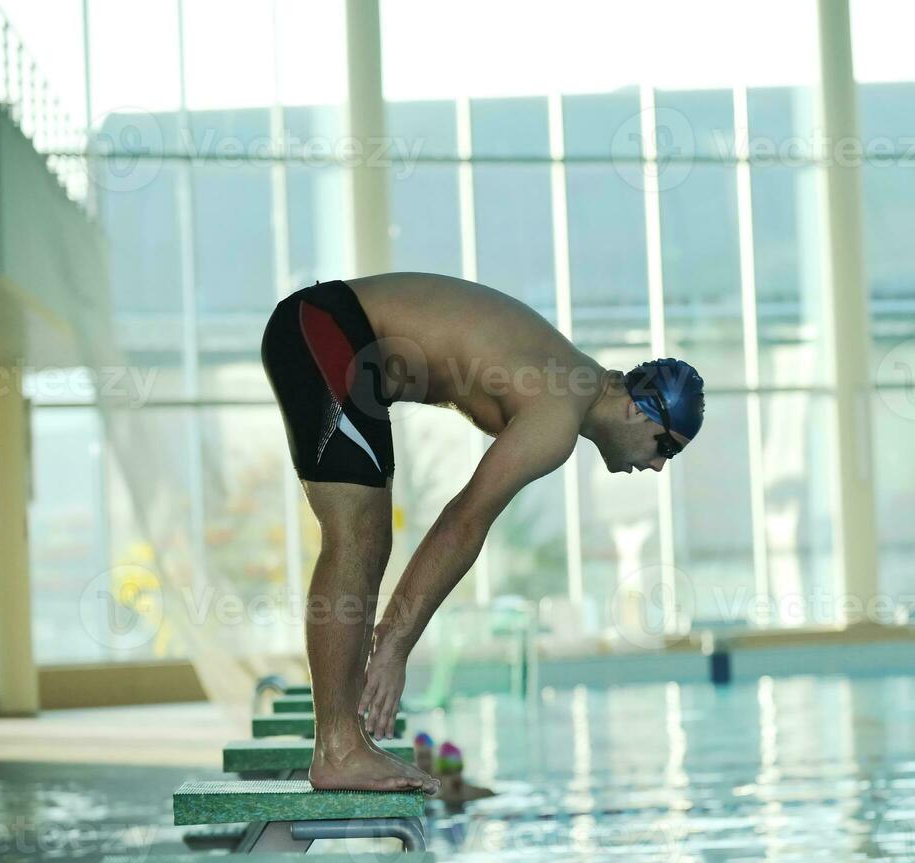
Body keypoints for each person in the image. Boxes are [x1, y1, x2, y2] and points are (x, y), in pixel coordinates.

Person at [260, 273, 704, 793]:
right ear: (636, 408)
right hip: (330, 331)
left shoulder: (572, 383)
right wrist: (396, 645)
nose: (655, 466)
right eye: (664, 447)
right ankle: (336, 748)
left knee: (368, 537)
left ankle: (344, 740)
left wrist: (392, 638)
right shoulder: (558, 414)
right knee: (356, 535)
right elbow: (464, 521)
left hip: (334, 334)